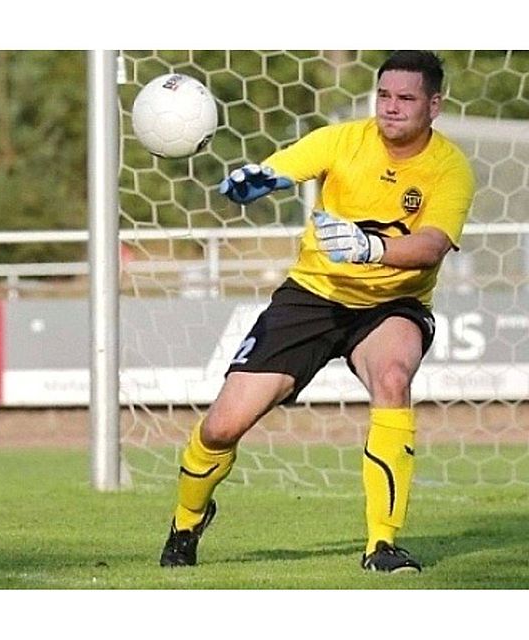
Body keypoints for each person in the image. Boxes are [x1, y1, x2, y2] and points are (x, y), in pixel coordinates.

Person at [159, 50, 474, 573]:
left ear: (434, 105)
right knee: (221, 428)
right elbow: (285, 167)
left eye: (406, 98)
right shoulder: (342, 139)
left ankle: (382, 544)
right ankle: (187, 521)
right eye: (384, 95)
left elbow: (432, 245)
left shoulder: (449, 168)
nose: (391, 108)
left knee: (393, 379)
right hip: (313, 295)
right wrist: (259, 180)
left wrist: (368, 247)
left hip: (392, 304)